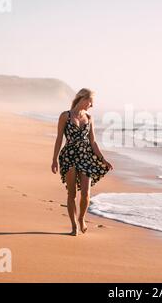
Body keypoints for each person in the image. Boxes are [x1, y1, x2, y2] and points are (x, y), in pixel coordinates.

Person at [51, 88, 113, 236]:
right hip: (69, 156)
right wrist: (54, 160)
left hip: (86, 156)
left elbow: (93, 142)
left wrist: (103, 159)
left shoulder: (89, 118)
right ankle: (74, 226)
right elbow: (59, 138)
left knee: (86, 193)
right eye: (91, 102)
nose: (91, 105)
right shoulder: (65, 116)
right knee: (71, 193)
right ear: (83, 99)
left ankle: (81, 219)